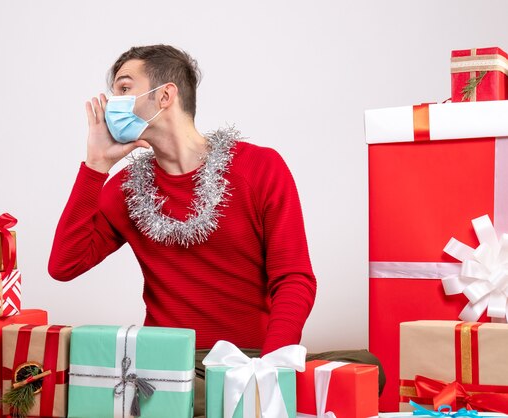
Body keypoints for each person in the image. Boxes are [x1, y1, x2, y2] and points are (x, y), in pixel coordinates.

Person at [49, 44, 383, 417]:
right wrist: (96, 166)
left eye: (125, 88)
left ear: (165, 95)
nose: (113, 101)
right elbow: (65, 264)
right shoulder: (126, 188)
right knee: (171, 392)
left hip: (251, 356)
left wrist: (267, 370)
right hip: (171, 365)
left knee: (367, 369)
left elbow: (294, 278)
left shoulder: (259, 168)